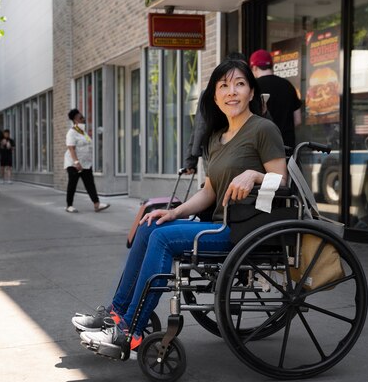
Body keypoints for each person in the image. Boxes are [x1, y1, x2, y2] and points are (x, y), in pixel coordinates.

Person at [74, 58, 287, 353]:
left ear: (251, 92)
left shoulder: (263, 129)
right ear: (215, 96)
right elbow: (209, 191)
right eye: (223, 86)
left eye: (240, 84)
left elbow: (282, 181)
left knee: (163, 238)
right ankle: (116, 312)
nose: (232, 92)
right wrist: (174, 212)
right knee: (152, 223)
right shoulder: (216, 138)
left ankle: (129, 332)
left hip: (246, 229)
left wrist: (255, 175)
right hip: (219, 223)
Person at [184, 52, 248, 174]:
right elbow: (200, 126)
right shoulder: (210, 94)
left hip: (243, 148)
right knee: (214, 187)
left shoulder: (250, 93)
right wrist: (190, 160)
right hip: (214, 148)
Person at [250, 49, 302, 150]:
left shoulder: (253, 88)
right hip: (287, 147)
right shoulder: (288, 85)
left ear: (255, 68)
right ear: (271, 66)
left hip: (263, 148)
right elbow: (298, 120)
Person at [64, 108, 110, 213]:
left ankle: (97, 204)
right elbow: (71, 148)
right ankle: (69, 205)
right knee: (72, 184)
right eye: (81, 118)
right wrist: (76, 162)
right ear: (75, 120)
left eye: (83, 117)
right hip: (73, 164)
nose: (83, 119)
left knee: (90, 184)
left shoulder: (82, 132)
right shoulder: (71, 133)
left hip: (86, 163)